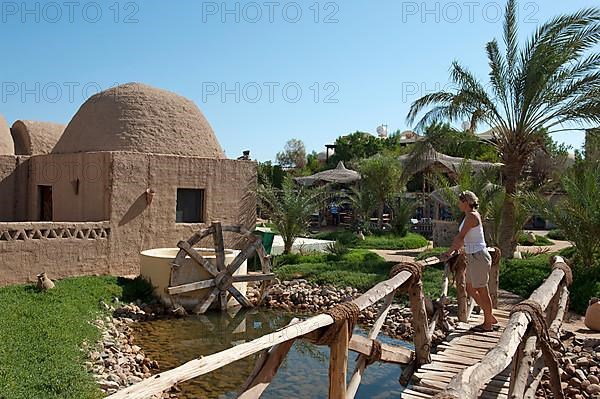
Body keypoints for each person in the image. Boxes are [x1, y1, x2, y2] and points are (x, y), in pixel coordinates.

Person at [442, 191, 497, 332]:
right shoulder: (469, 215)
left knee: (481, 289)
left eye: (460, 201)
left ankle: (488, 323)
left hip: (478, 256)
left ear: (466, 202)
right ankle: (489, 315)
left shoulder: (472, 216)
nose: (458, 204)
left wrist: (449, 252)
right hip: (473, 256)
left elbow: (460, 238)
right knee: (470, 287)